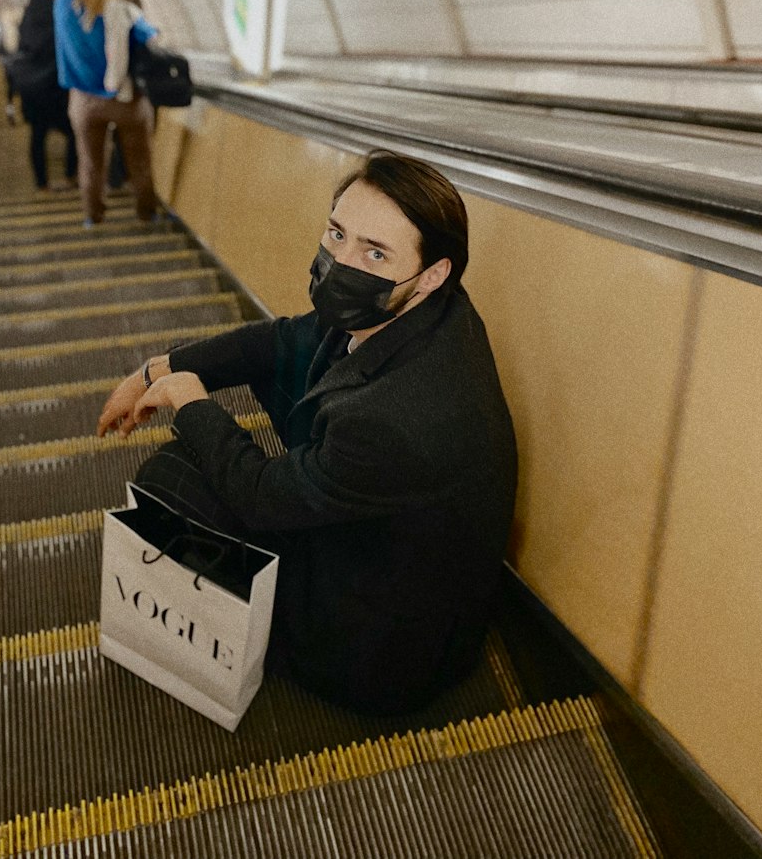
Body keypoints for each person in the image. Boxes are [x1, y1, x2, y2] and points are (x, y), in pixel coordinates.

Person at [97, 150, 517, 715]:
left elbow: (264, 500)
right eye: (337, 233)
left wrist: (190, 401)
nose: (341, 260)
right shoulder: (425, 308)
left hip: (374, 652)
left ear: (431, 274)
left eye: (374, 252)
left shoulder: (394, 421)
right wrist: (158, 368)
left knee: (168, 478)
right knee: (199, 454)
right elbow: (278, 341)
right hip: (389, 553)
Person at [54, 0, 159, 225]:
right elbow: (153, 39)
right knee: (140, 159)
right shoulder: (124, 11)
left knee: (89, 162)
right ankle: (146, 212)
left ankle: (93, 215)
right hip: (125, 100)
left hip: (83, 100)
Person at [8, 0, 81, 191]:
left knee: (38, 135)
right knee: (74, 131)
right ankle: (71, 177)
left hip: (34, 87)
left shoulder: (34, 9)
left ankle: (42, 184)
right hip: (60, 85)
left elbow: (23, 45)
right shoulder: (70, 12)